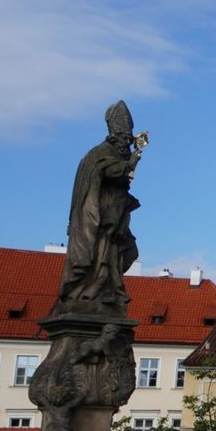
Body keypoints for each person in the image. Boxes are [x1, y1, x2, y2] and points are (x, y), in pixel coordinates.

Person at [57, 100, 143, 315]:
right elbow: (111, 172)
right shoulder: (100, 153)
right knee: (102, 253)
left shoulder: (110, 153)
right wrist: (131, 162)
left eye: (130, 139)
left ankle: (107, 289)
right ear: (116, 136)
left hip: (115, 216)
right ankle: (96, 291)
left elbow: (120, 178)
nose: (128, 143)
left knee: (126, 252)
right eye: (126, 139)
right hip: (101, 217)